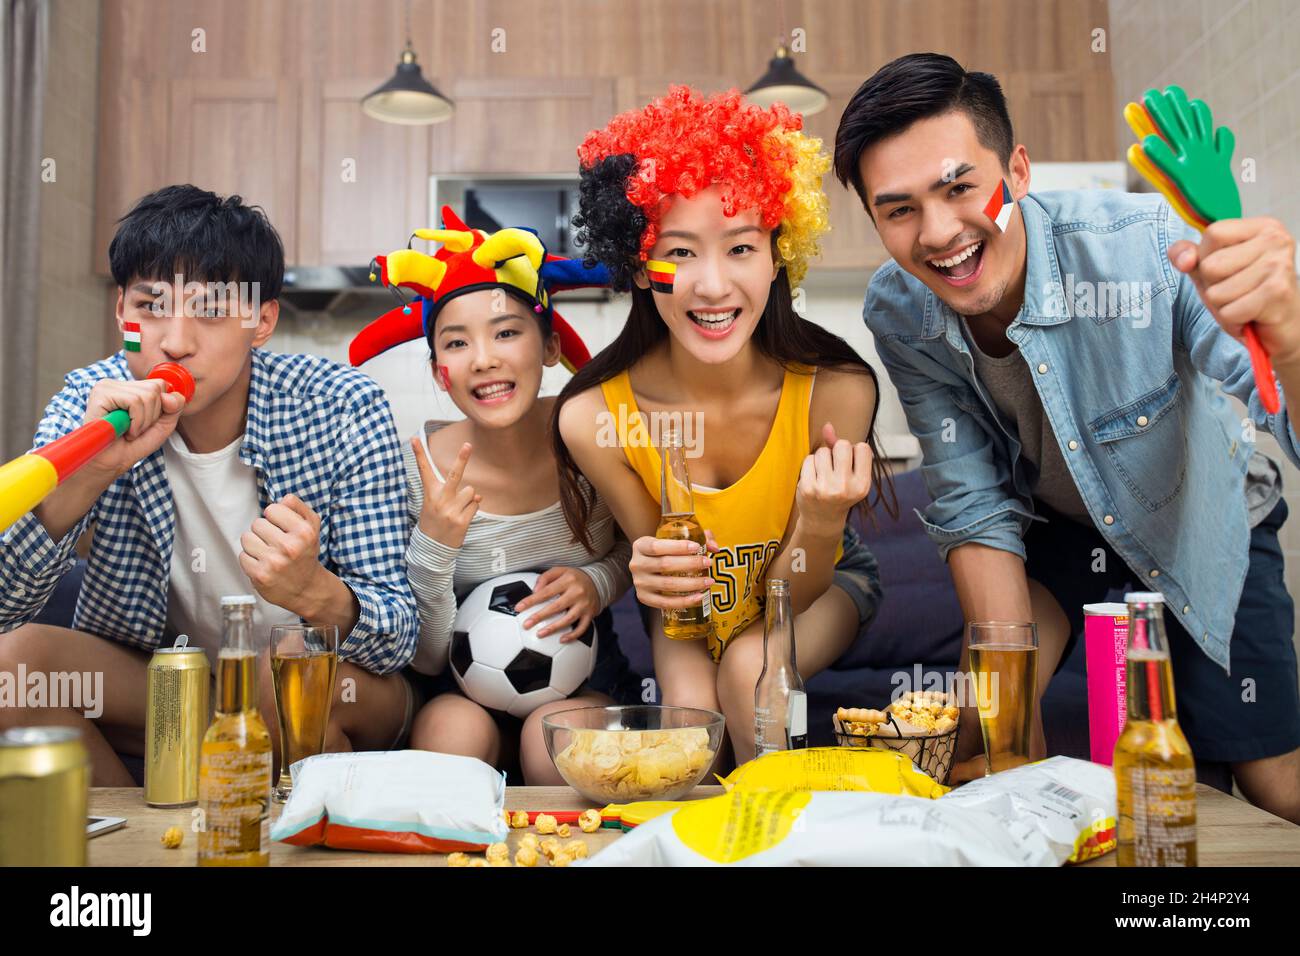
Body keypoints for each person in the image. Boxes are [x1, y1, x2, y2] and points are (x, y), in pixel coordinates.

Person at [835, 53, 1300, 819]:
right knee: (991, 740)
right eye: (900, 209)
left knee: (1268, 781)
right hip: (1054, 524)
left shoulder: (1145, 247)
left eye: (959, 187)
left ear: (1016, 169)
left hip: (1204, 513)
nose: (941, 232)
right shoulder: (899, 312)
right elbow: (971, 498)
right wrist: (1014, 758)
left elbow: (1279, 408)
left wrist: (1288, 337)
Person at [0, 185, 419, 784]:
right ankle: (144, 851)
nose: (174, 340)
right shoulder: (90, 401)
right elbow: (3, 607)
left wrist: (310, 592)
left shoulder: (343, 406)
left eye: (212, 310)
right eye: (151, 305)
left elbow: (399, 636)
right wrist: (90, 474)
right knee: (13, 667)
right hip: (171, 690)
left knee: (285, 665)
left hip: (329, 687)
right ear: (123, 312)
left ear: (262, 320)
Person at [554, 86, 893, 765]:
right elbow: (677, 601)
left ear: (778, 256)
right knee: (687, 746)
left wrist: (823, 520)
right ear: (641, 266)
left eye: (740, 249)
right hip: (693, 611)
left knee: (749, 669)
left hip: (818, 586)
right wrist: (654, 572)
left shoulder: (838, 389)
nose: (711, 286)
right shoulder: (593, 418)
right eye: (678, 253)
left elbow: (791, 595)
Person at [350, 206, 638, 783]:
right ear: (439, 373)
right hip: (454, 692)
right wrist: (433, 547)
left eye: (507, 332)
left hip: (579, 683)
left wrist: (596, 583)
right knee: (452, 738)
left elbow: (641, 548)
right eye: (456, 344)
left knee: (550, 743)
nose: (484, 359)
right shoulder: (414, 471)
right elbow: (428, 657)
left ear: (551, 347)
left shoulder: (593, 433)